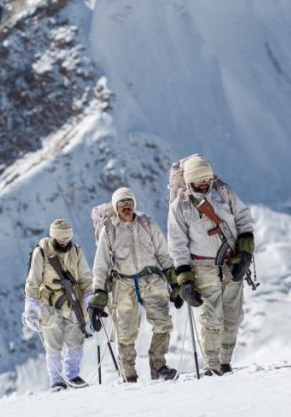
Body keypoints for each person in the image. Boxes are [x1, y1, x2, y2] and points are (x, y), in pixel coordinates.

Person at [167, 154, 254, 375]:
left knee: (232, 317)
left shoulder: (223, 193)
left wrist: (245, 253)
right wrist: (184, 280)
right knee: (212, 318)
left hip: (232, 262)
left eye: (207, 178)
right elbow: (177, 244)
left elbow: (243, 219)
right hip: (203, 268)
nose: (204, 182)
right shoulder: (181, 206)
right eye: (199, 179)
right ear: (189, 181)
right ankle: (212, 365)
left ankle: (225, 362)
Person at [87, 187, 178, 382]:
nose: (126, 206)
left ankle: (159, 366)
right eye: (122, 203)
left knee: (163, 323)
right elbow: (101, 265)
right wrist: (99, 292)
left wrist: (174, 280)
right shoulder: (109, 230)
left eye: (129, 202)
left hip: (151, 279)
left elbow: (163, 252)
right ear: (115, 206)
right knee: (126, 331)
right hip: (123, 283)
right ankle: (128, 373)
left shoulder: (146, 223)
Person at [23, 218, 93, 391]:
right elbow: (33, 281)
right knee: (53, 344)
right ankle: (57, 380)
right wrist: (31, 305)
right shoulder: (41, 253)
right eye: (61, 239)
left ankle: (73, 376)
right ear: (53, 237)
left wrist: (90, 298)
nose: (64, 242)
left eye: (67, 239)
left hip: (73, 302)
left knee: (76, 341)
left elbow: (85, 277)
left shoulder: (76, 251)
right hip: (49, 304)